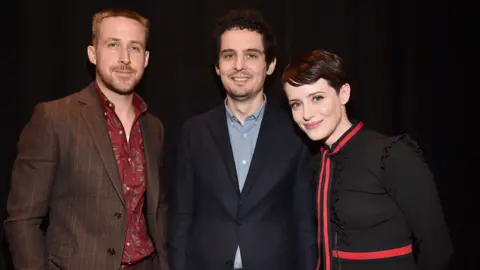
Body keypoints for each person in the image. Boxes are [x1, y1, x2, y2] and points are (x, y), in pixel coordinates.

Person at [4, 8, 169, 270]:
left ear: (146, 59)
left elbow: (158, 210)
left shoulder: (154, 127)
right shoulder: (54, 118)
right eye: (113, 45)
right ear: (93, 53)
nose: (125, 58)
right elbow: (23, 220)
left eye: (135, 48)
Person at [168, 8, 317, 270]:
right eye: (229, 56)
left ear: (269, 65)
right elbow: (181, 218)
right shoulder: (194, 132)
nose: (239, 66)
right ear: (217, 66)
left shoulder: (297, 132)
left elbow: (305, 223)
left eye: (251, 55)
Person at [282, 49, 453, 270]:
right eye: (296, 104)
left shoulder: (392, 154)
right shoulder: (316, 164)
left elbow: (438, 248)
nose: (306, 113)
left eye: (317, 98)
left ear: (343, 93)